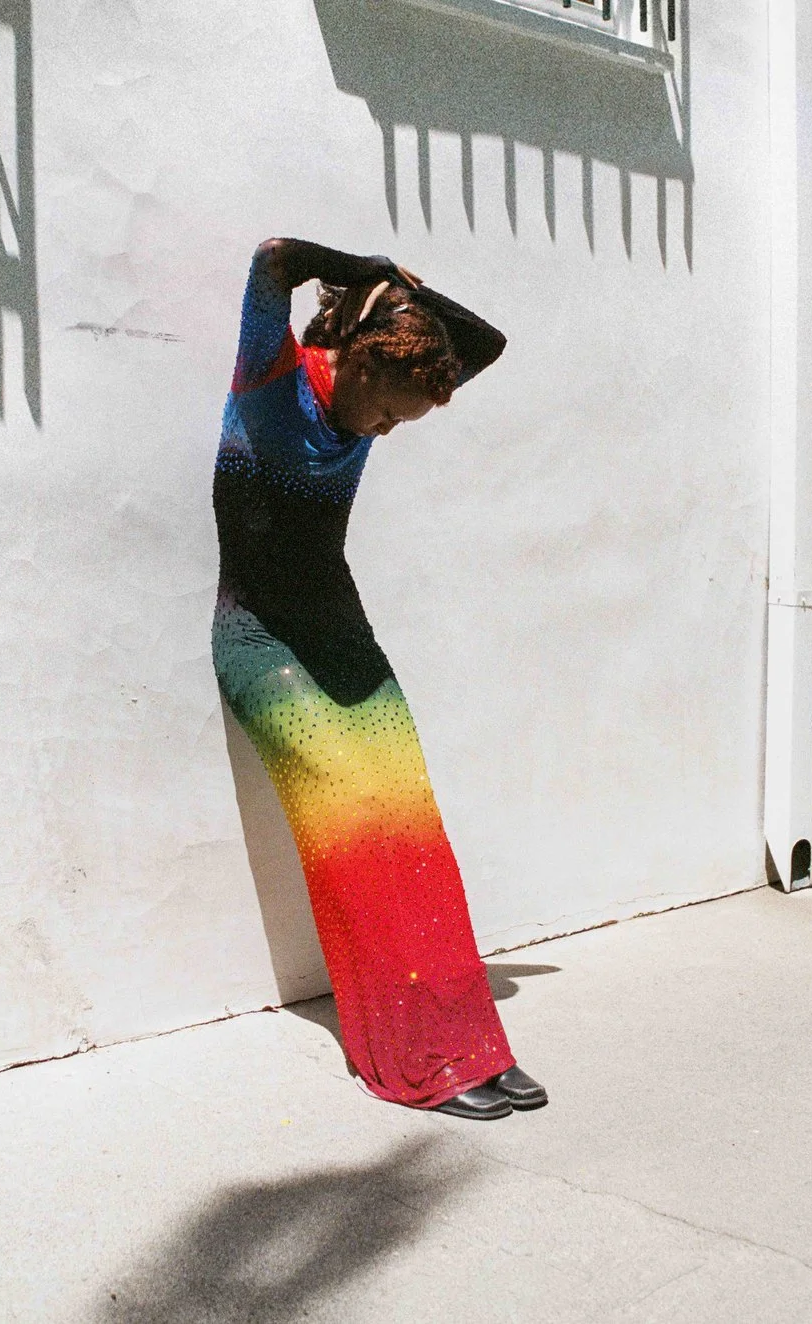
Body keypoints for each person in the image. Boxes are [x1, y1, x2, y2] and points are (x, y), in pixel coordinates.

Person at [213, 237, 545, 1121]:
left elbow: (487, 343)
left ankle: (474, 1045)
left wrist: (394, 292)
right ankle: (413, 1055)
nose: (387, 431)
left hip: (340, 634)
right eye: (391, 414)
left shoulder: (378, 380)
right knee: (355, 832)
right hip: (259, 640)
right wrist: (370, 270)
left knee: (412, 827)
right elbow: (274, 260)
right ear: (360, 364)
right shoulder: (270, 376)